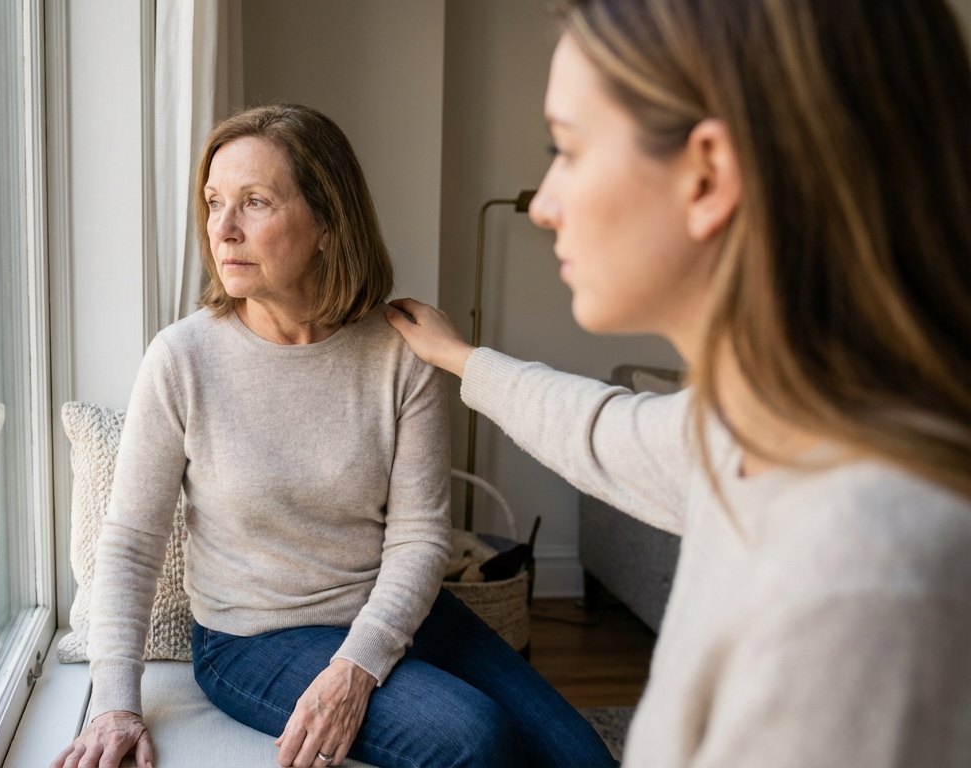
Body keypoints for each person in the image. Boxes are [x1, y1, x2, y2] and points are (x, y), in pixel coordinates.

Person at [387, 1, 971, 766]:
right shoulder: (762, 429)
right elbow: (602, 431)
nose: (546, 207)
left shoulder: (853, 585)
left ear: (708, 175)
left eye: (565, 149)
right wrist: (460, 358)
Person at [54, 105, 615, 768]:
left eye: (255, 202)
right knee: (472, 736)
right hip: (252, 639)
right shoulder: (182, 357)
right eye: (213, 202)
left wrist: (357, 665)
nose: (222, 230)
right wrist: (114, 704)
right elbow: (129, 544)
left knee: (581, 755)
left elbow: (419, 540)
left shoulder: (403, 351)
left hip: (395, 610)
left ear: (326, 222)